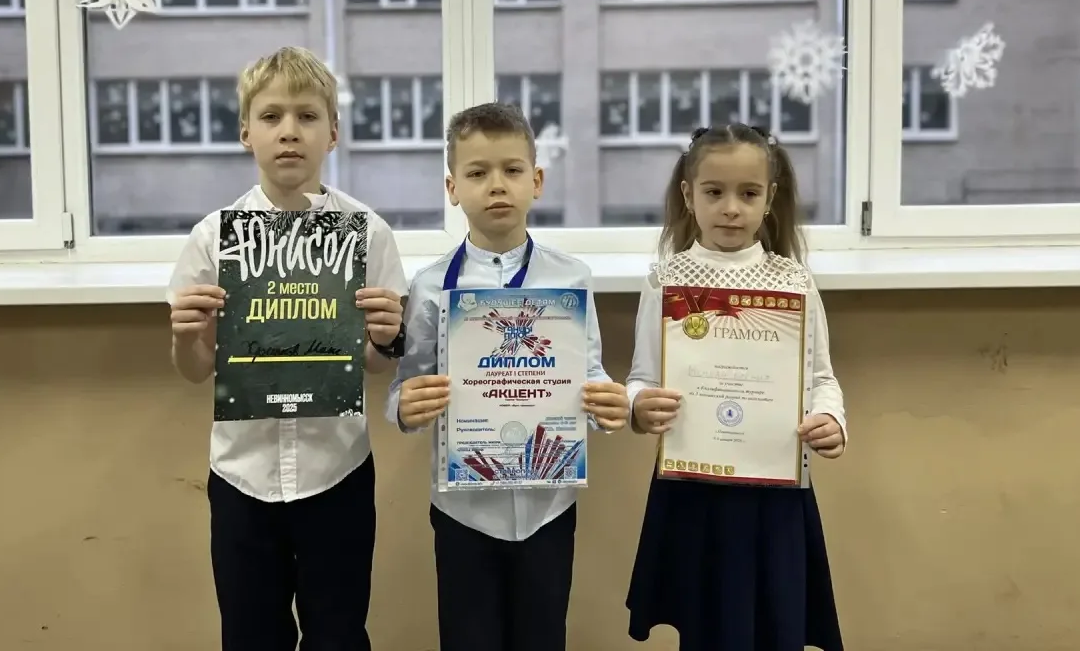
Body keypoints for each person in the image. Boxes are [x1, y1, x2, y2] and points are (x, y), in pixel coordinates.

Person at [167, 46, 408, 651]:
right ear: (246, 132)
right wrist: (187, 337)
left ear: (334, 132)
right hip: (242, 475)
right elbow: (196, 371)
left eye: (307, 116)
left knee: (339, 635)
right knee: (251, 635)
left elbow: (375, 363)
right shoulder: (214, 239)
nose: (289, 132)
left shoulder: (367, 234)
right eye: (271, 116)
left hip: (337, 470)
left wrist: (385, 339)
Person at [387, 101, 631, 651]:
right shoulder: (431, 286)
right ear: (452, 188)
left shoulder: (571, 280)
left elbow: (590, 373)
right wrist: (403, 407)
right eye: (477, 173)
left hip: (549, 509)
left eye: (512, 170)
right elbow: (406, 383)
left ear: (536, 181)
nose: (497, 185)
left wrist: (608, 406)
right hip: (462, 511)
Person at [625, 122, 846, 651]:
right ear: (688, 195)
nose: (730, 208)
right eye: (714, 192)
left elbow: (821, 377)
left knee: (776, 626)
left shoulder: (793, 282)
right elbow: (641, 377)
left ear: (770, 197)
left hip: (774, 490)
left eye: (748, 194)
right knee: (705, 626)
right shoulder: (666, 281)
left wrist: (831, 420)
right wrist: (638, 407)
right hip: (694, 489)